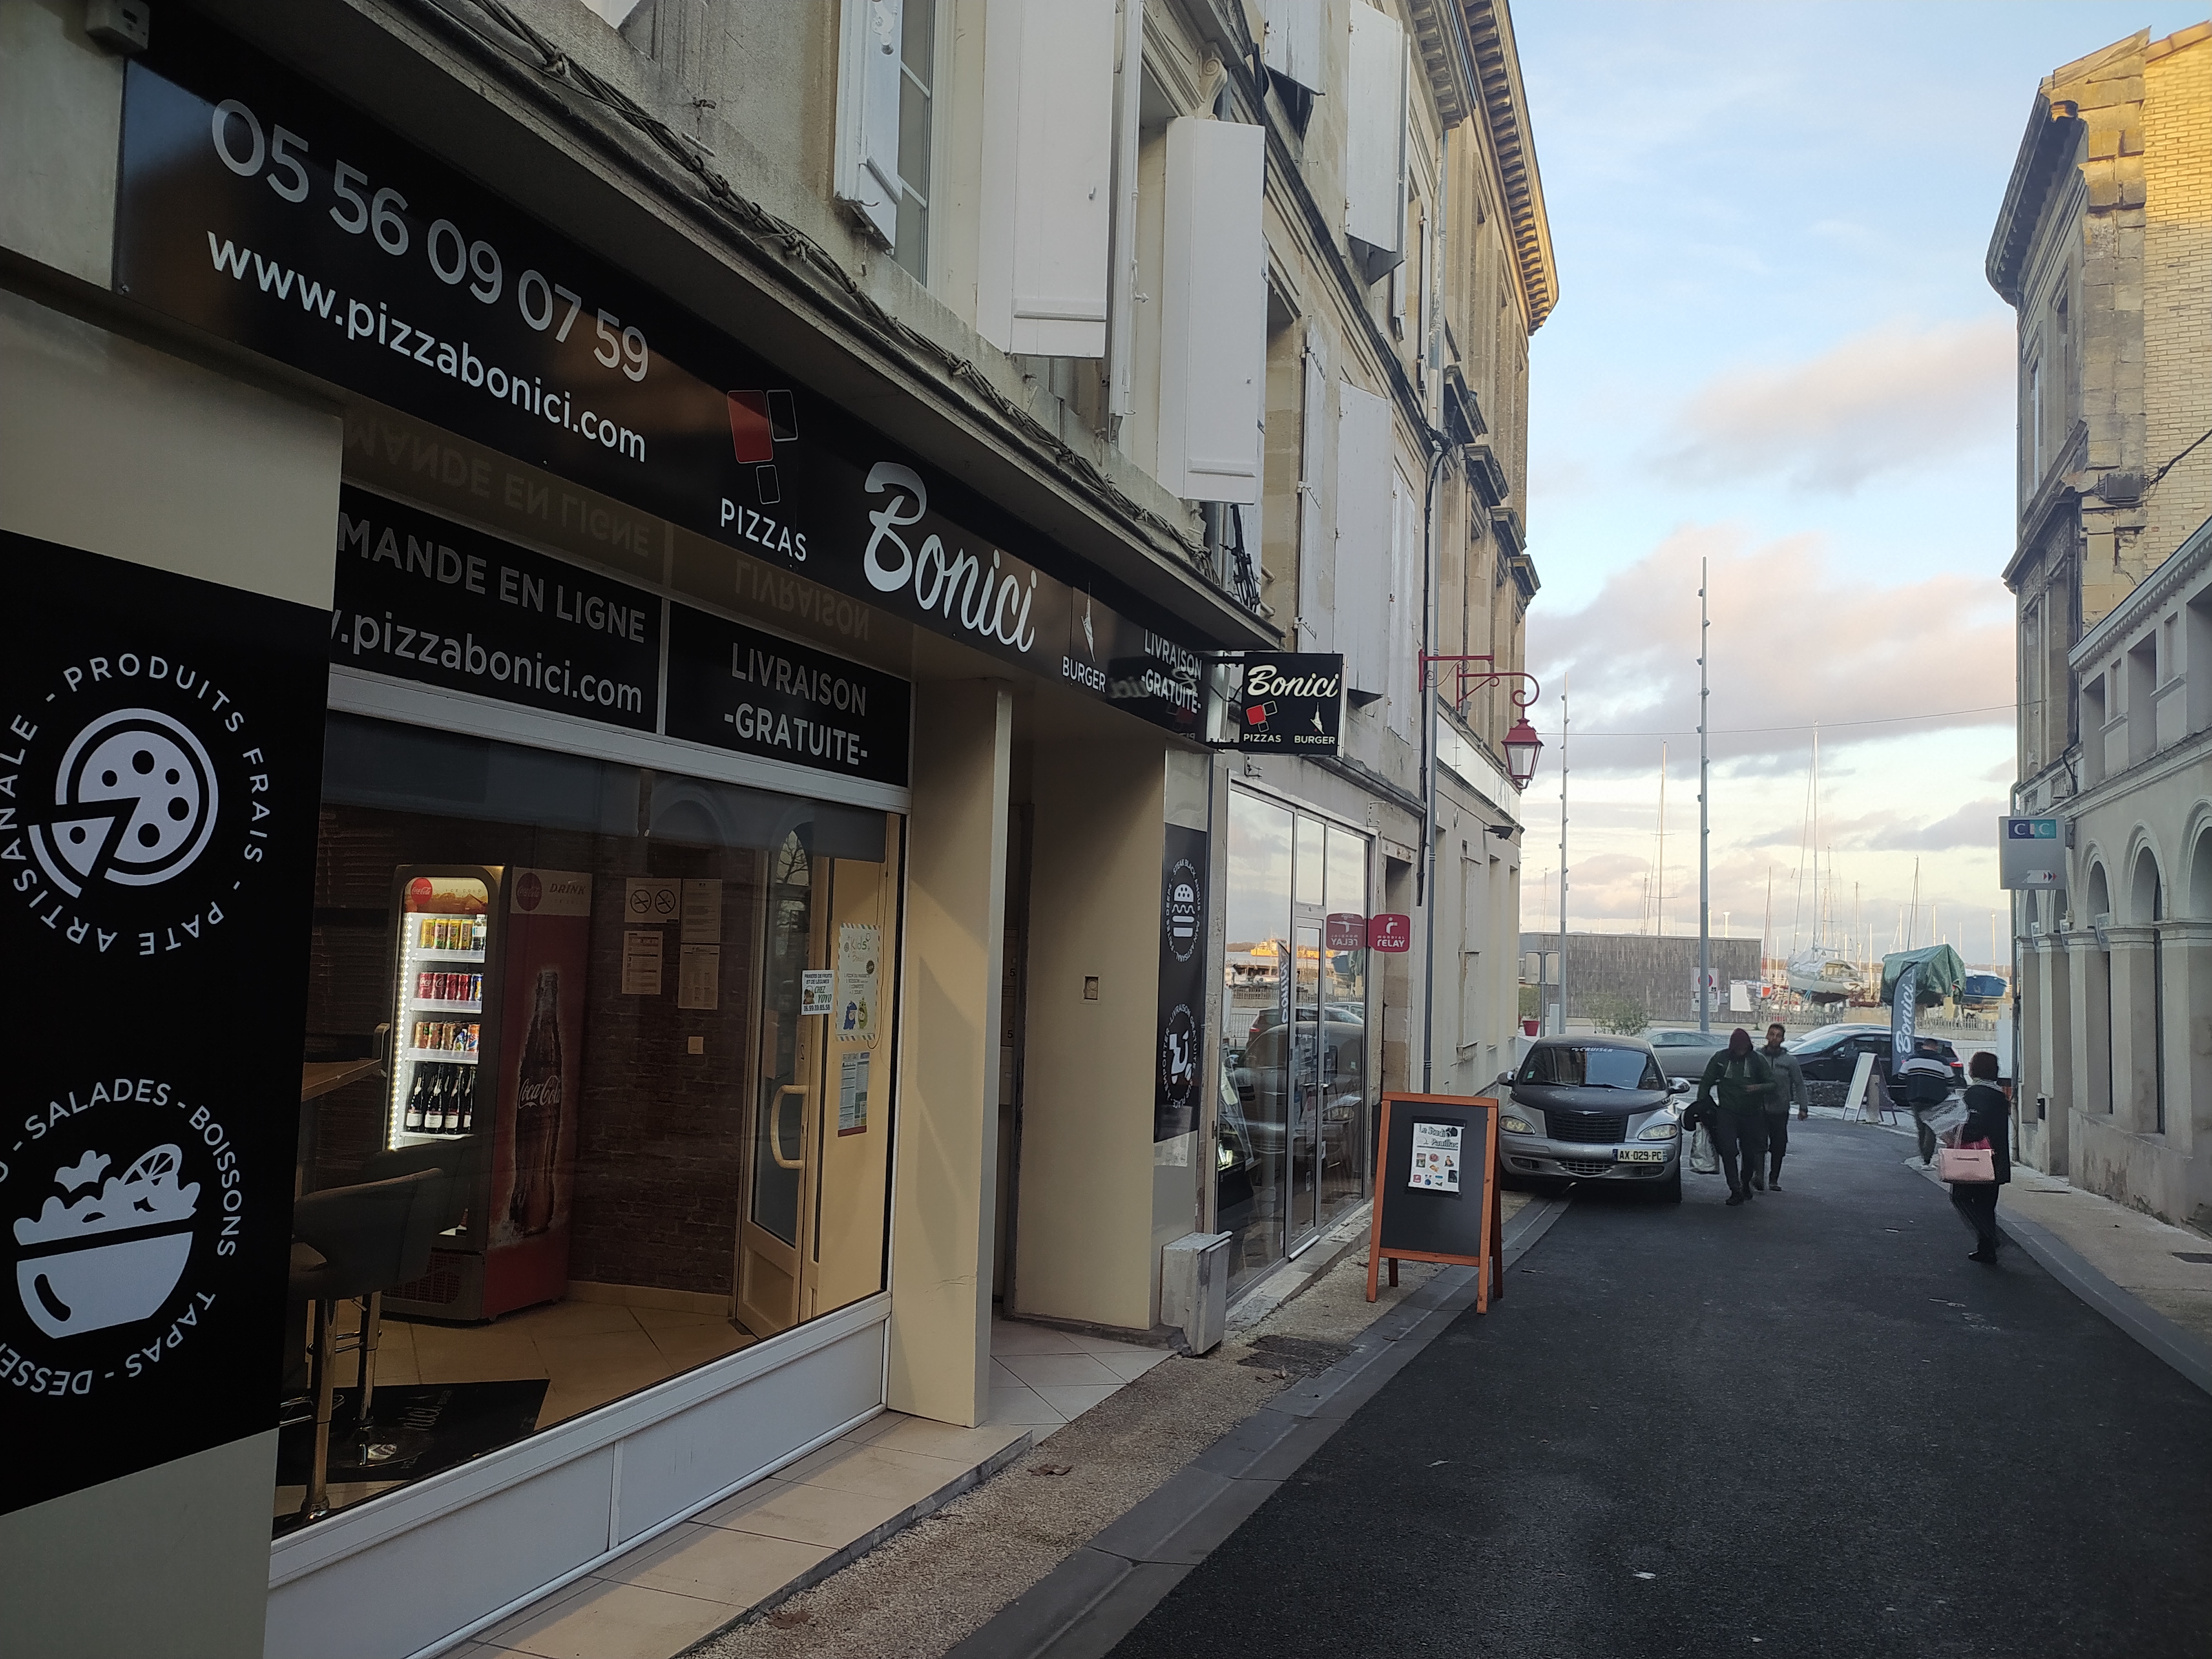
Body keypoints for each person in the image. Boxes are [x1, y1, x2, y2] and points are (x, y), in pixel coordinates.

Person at [1694, 1029, 1776, 1206]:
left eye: (1744, 1048)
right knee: (1728, 1150)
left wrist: (1757, 1088)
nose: (1741, 1051)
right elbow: (1706, 1083)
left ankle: (1745, 1183)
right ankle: (1735, 1189)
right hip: (1727, 1112)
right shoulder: (1720, 1059)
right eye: (1739, 1048)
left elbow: (1772, 1084)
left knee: (1749, 1153)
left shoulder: (1757, 1060)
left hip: (1752, 1114)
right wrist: (1703, 1107)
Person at [1949, 1051, 2011, 1262]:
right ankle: (1986, 1249)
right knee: (1986, 1204)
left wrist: (1956, 1133)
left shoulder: (1975, 1094)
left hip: (1976, 1158)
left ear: (1974, 1069)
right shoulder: (1999, 1095)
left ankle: (1990, 1238)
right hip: (1997, 1159)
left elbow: (1974, 1127)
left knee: (1961, 1197)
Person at [1759, 1024, 1809, 1189]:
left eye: (1778, 1035)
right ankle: (1757, 1176)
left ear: (1783, 1039)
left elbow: (1799, 1084)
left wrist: (1803, 1107)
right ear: (1766, 1036)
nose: (1774, 1038)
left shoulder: (1790, 1061)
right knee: (1757, 1144)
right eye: (1772, 1034)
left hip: (1780, 1109)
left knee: (1778, 1145)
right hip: (1758, 1109)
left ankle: (1773, 1179)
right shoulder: (1757, 1057)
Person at [1894, 1036, 1956, 1165]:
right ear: (1935, 1047)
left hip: (1915, 1097)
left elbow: (1901, 1076)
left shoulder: (1912, 1059)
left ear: (1924, 1046)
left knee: (1920, 1127)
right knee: (1931, 1127)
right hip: (1935, 1099)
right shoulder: (1942, 1061)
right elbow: (1951, 1080)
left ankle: (1923, 1155)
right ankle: (1927, 1159)